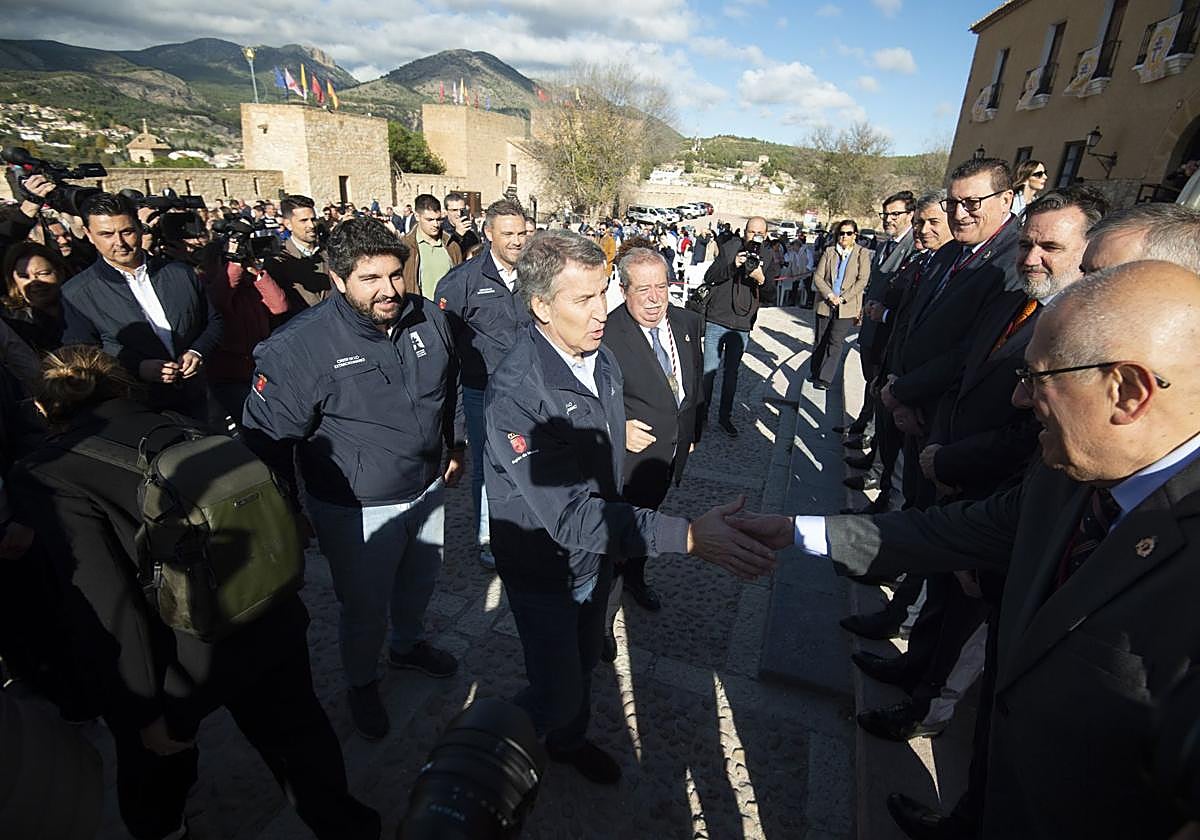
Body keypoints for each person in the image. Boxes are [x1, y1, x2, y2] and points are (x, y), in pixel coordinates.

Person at [734, 259, 1200, 838]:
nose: (1022, 399)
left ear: (1127, 392)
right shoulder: (1068, 473)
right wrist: (798, 530)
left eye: (1037, 378)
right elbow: (945, 531)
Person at [9, 345, 380, 840]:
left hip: (181, 661)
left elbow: (107, 602)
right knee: (303, 747)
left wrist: (141, 712)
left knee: (159, 771)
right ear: (121, 385)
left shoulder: (49, 473)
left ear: (42, 407)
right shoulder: (187, 425)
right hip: (269, 619)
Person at [484, 229, 775, 786]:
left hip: (598, 562)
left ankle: (569, 742)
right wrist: (686, 536)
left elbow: (608, 473)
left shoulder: (599, 359)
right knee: (555, 688)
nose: (601, 314)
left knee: (587, 664)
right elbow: (569, 516)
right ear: (541, 306)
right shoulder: (519, 394)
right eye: (583, 299)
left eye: (602, 295)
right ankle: (476, 755)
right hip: (545, 570)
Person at [242, 217, 465, 741]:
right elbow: (267, 440)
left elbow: (449, 386)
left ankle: (407, 647)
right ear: (338, 280)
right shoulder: (299, 346)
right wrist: (288, 511)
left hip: (428, 489)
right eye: (371, 279)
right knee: (364, 608)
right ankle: (362, 681)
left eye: (395, 275)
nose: (389, 290)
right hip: (357, 507)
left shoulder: (427, 317)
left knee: (419, 583)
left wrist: (454, 444)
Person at [600, 247, 705, 636]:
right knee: (617, 536)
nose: (654, 298)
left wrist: (692, 433)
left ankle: (636, 579)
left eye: (661, 286)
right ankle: (604, 617)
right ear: (623, 289)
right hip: (626, 460)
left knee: (647, 524)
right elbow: (584, 398)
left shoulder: (688, 321)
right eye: (643, 289)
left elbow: (694, 384)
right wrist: (618, 425)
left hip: (669, 455)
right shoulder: (606, 333)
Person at [61, 192, 222, 420]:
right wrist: (136, 367)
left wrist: (197, 351)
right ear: (89, 235)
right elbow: (83, 356)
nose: (119, 243)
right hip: (136, 411)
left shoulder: (180, 273)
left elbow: (213, 322)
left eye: (126, 232)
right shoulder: (76, 293)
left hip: (198, 401)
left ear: (139, 228)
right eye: (106, 234)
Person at [434, 199, 529, 569]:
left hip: (527, 391)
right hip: (480, 392)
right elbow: (445, 346)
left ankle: (522, 527)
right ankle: (488, 537)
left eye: (522, 233)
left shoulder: (536, 276)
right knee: (489, 467)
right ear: (489, 234)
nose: (518, 241)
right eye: (508, 234)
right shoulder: (461, 282)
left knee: (524, 460)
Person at [842, 191, 915, 435]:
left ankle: (871, 433)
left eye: (895, 214)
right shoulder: (885, 245)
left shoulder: (913, 247)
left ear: (910, 215)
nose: (888, 219)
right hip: (870, 329)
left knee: (880, 385)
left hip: (887, 331)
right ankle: (862, 423)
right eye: (885, 214)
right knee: (869, 381)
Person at [701, 215, 767, 437]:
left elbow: (770, 294)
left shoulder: (767, 255)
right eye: (751, 232)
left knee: (732, 374)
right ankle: (701, 416)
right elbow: (710, 276)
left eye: (759, 233)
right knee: (708, 372)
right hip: (718, 318)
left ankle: (724, 417)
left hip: (742, 324)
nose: (754, 237)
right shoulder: (731, 247)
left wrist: (761, 279)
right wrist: (732, 266)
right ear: (744, 232)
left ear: (765, 235)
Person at [808, 219, 872, 390]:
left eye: (848, 233)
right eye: (841, 233)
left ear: (855, 235)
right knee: (820, 338)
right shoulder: (829, 252)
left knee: (835, 341)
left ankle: (825, 378)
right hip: (826, 302)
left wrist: (843, 298)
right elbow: (818, 277)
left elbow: (863, 280)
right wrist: (829, 294)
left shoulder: (862, 254)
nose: (844, 236)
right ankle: (815, 370)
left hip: (847, 305)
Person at [263, 194, 330, 314]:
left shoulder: (330, 253)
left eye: (313, 219)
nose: (311, 225)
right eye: (304, 220)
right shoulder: (278, 260)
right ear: (288, 224)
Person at [2, 240, 67, 352]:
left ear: (60, 273)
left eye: (43, 273)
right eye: (24, 276)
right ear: (14, 282)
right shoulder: (11, 325)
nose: (35, 282)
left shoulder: (80, 306)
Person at [400, 194, 463, 300]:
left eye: (438, 219)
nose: (436, 224)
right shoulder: (405, 246)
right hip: (419, 311)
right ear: (417, 216)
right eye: (429, 220)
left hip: (448, 311)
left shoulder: (451, 245)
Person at [443, 191, 482, 256]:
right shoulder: (440, 231)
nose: (459, 214)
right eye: (454, 210)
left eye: (462, 210)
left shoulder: (470, 234)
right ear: (446, 211)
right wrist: (458, 235)